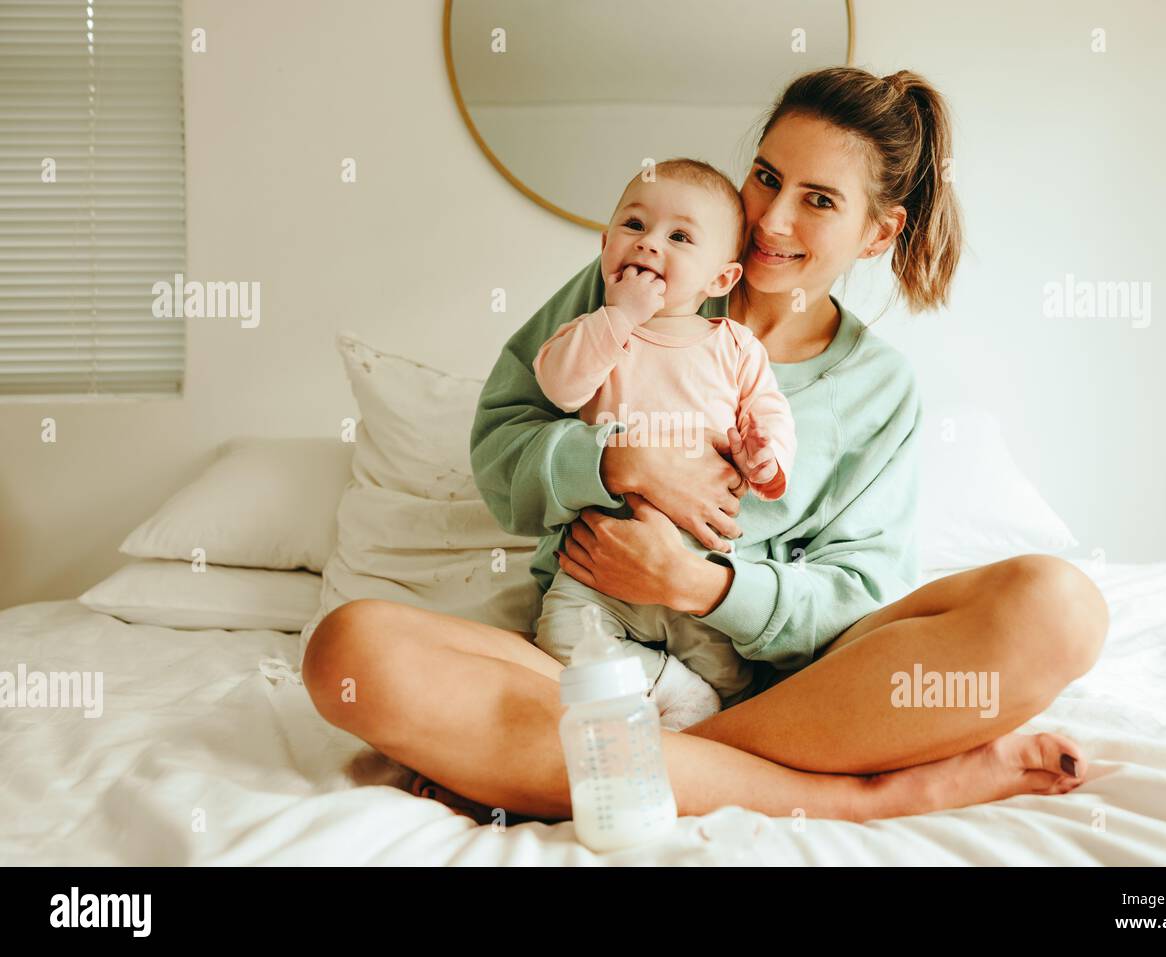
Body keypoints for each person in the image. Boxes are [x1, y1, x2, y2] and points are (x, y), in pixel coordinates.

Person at [302, 67, 1109, 824]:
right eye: (766, 176)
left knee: (1061, 608)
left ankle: (587, 764)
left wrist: (701, 585)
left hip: (786, 696)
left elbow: (857, 593)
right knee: (349, 649)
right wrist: (613, 459)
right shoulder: (638, 279)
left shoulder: (878, 386)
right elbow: (501, 439)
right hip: (595, 651)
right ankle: (836, 794)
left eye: (818, 199)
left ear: (877, 233)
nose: (771, 218)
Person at [531, 157, 798, 731]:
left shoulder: (735, 346)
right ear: (606, 247)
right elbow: (559, 386)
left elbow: (770, 414)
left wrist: (764, 458)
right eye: (633, 226)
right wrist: (618, 315)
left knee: (733, 681)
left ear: (721, 280)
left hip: (696, 563)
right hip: (597, 564)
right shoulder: (596, 334)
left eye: (678, 236)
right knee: (559, 642)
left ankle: (698, 725)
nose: (649, 244)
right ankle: (665, 686)